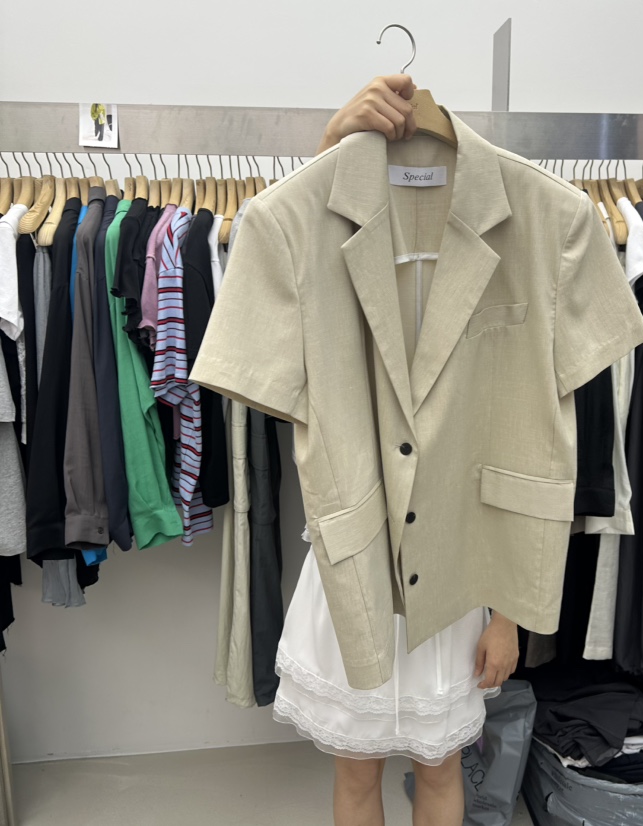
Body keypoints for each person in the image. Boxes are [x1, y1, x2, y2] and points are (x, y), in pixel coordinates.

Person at [271, 75, 521, 826]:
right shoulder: (338, 249)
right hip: (355, 564)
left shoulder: (500, 252)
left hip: (455, 573)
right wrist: (331, 145)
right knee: (357, 772)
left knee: (439, 769)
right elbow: (291, 254)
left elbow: (517, 449)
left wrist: (508, 614)